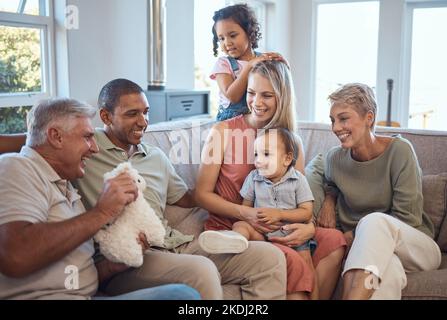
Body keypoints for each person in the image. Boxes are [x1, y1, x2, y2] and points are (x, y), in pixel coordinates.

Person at [72, 78, 287, 300]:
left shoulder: (155, 156)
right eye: (132, 114)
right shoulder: (87, 150)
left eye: (146, 112)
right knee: (201, 270)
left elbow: (187, 198)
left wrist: (226, 183)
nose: (143, 121)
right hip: (126, 259)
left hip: (173, 245)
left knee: (269, 258)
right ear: (105, 116)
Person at [0, 98, 200, 300]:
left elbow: (76, 272)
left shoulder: (66, 186)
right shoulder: (16, 167)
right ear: (56, 136)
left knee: (182, 295)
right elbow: (16, 256)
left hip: (89, 295)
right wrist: (102, 212)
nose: (95, 148)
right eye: (87, 137)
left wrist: (114, 265)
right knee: (181, 297)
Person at [195, 60, 346, 300]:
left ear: (281, 98)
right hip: (235, 227)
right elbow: (201, 195)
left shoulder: (291, 142)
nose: (256, 102)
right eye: (252, 93)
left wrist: (307, 228)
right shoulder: (222, 132)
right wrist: (246, 215)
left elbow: (300, 197)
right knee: (294, 261)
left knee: (336, 240)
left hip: (280, 224)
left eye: (267, 95)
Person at [317, 83, 442, 299]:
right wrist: (329, 199)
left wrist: (355, 234)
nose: (336, 127)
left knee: (373, 222)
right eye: (332, 120)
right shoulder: (334, 159)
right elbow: (331, 183)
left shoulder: (400, 152)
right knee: (385, 274)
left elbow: (409, 218)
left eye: (343, 118)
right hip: (371, 255)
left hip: (416, 248)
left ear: (369, 118)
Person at [199, 127, 319, 299]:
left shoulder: (298, 180)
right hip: (263, 234)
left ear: (287, 159)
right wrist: (252, 219)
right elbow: (246, 209)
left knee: (306, 268)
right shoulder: (254, 178)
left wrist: (280, 214)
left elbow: (306, 213)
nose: (258, 161)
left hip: (292, 235)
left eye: (266, 154)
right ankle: (234, 240)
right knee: (240, 224)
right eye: (256, 155)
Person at [211, 3, 286, 121]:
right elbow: (232, 96)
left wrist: (283, 65)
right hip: (231, 122)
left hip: (259, 118)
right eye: (221, 38)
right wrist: (250, 65)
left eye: (232, 35)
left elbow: (282, 89)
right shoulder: (223, 64)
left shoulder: (263, 60)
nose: (227, 42)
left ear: (249, 32)